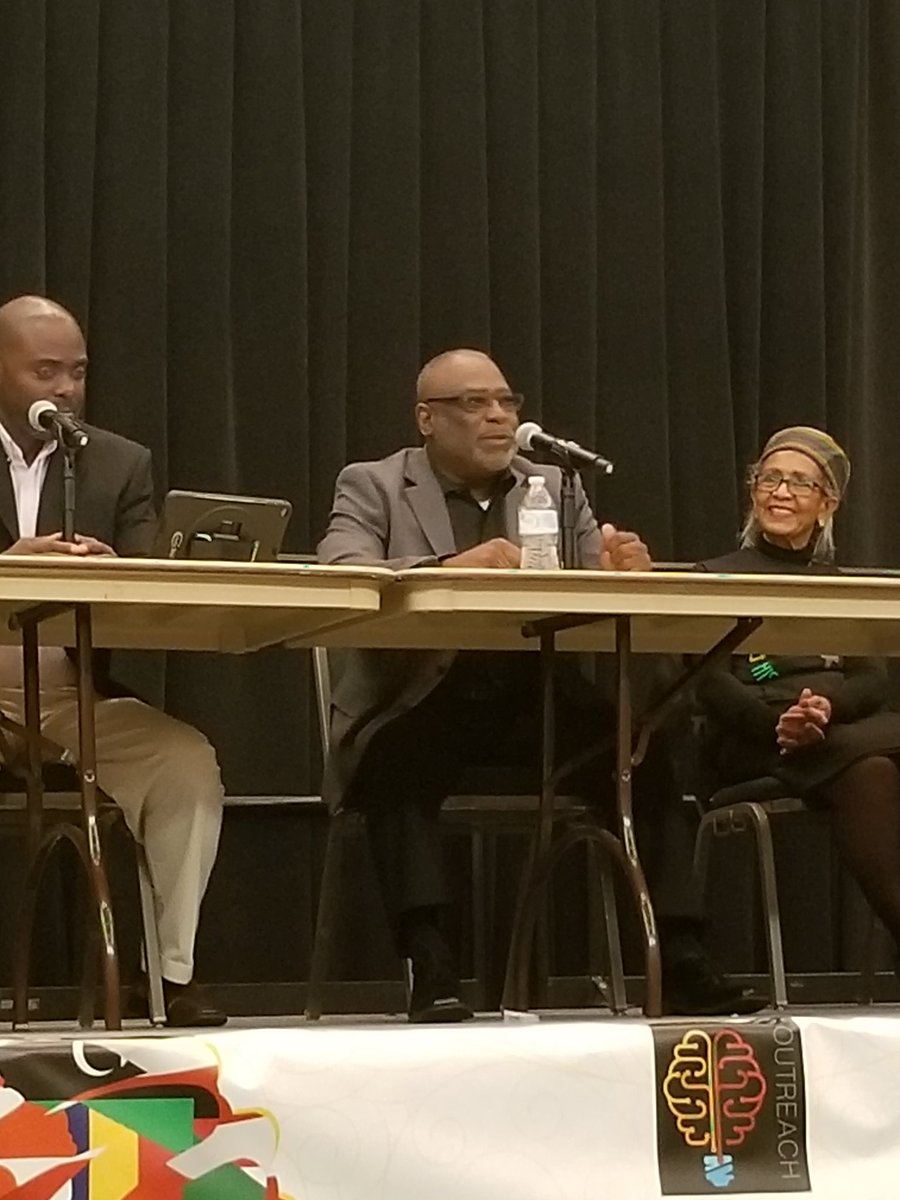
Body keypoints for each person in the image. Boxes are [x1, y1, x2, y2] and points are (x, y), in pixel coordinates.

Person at [318, 346, 765, 1021]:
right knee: (396, 764)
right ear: (427, 419)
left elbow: (588, 593)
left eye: (507, 402)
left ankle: (679, 956)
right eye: (475, 403)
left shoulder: (555, 485)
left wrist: (621, 575)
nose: (498, 416)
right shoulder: (373, 485)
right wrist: (448, 567)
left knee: (644, 750)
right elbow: (342, 571)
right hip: (423, 694)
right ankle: (428, 959)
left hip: (536, 696)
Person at [0, 294, 226, 1027]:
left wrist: (113, 571)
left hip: (67, 695)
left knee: (185, 762)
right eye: (44, 371)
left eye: (77, 372)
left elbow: (149, 584)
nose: (65, 388)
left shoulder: (119, 462)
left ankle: (166, 975)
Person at [697, 425, 900, 971]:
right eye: (770, 479)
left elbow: (871, 680)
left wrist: (825, 710)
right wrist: (779, 723)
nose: (781, 492)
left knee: (872, 764)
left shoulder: (839, 585)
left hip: (838, 732)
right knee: (872, 768)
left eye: (800, 483)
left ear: (827, 504)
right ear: (753, 491)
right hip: (752, 740)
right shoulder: (715, 577)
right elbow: (709, 681)